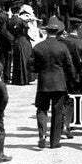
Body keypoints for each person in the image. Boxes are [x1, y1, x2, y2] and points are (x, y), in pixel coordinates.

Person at [33, 17, 76, 149]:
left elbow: (31, 66)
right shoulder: (62, 47)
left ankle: (42, 136)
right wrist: (71, 80)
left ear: (46, 31)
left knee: (41, 109)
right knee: (58, 112)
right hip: (59, 82)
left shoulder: (38, 47)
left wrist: (40, 69)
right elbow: (69, 66)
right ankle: (54, 141)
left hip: (44, 82)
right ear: (57, 32)